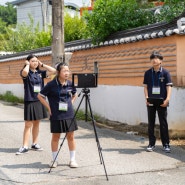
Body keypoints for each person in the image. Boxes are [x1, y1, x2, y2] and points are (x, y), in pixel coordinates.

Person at [37, 62, 78, 168]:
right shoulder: (51, 85)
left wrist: (71, 104)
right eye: (64, 71)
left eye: (68, 70)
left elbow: (75, 94)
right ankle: (54, 160)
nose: (67, 73)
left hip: (69, 114)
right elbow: (40, 96)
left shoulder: (70, 83)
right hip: (56, 114)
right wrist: (49, 108)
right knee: (56, 137)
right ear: (58, 72)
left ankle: (72, 160)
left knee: (71, 136)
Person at [16, 54, 56, 155]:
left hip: (39, 100)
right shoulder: (26, 72)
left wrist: (42, 64)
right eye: (33, 61)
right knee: (28, 124)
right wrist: (27, 65)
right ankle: (25, 146)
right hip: (30, 100)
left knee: (37, 122)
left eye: (36, 61)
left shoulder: (40, 73)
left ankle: (35, 143)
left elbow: (54, 71)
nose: (35, 63)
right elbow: (24, 72)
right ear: (28, 62)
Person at [143, 51, 172, 153]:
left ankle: (166, 144)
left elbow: (168, 87)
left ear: (161, 60)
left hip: (162, 101)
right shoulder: (147, 73)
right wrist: (146, 98)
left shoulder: (165, 73)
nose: (154, 60)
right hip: (151, 101)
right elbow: (145, 87)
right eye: (152, 58)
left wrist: (167, 99)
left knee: (163, 123)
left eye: (156, 58)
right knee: (151, 123)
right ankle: (151, 143)